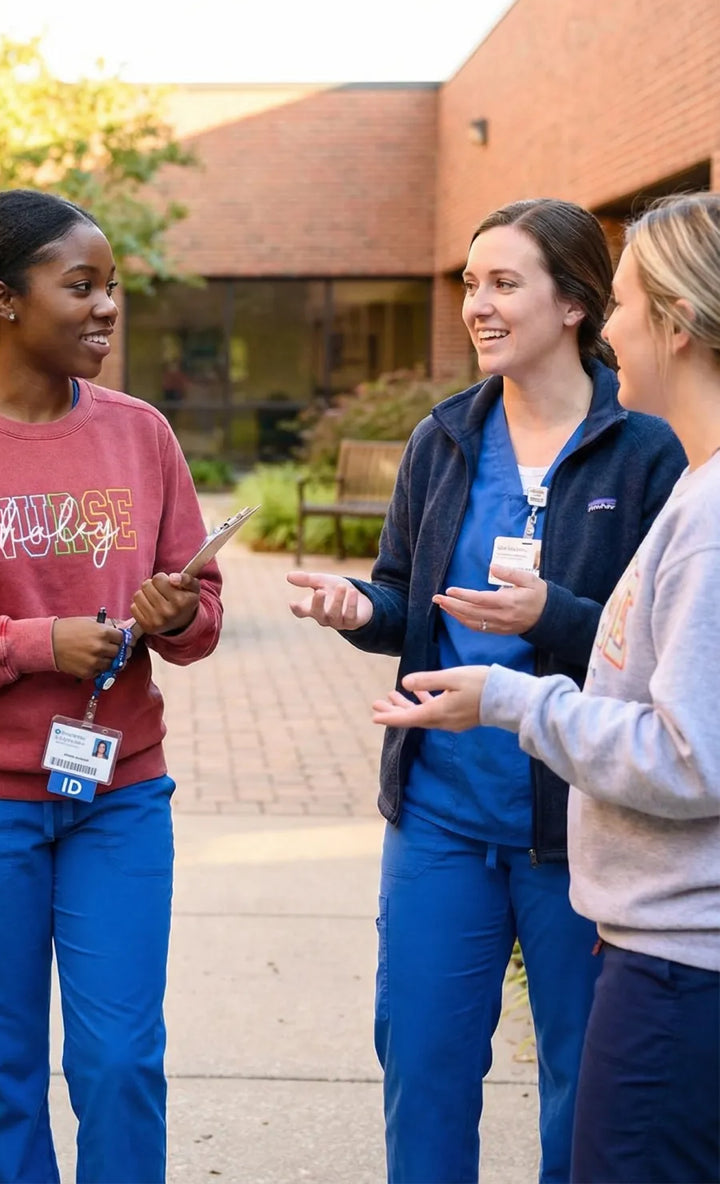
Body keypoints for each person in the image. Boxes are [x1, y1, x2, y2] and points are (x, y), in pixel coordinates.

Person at [286, 198, 686, 1183]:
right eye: (471, 284)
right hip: (440, 815)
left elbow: (657, 650)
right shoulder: (445, 438)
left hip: (579, 824)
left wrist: (553, 615)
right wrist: (360, 608)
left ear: (576, 304)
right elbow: (404, 598)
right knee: (421, 1066)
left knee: (582, 1089)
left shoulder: (648, 450)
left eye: (505, 283)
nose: (478, 305)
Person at [0, 187, 223, 1184]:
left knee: (120, 1060)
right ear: (5, 300)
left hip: (120, 797)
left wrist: (174, 615)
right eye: (82, 286)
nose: (108, 306)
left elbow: (203, 614)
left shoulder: (141, 433)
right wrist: (36, 645)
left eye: (112, 286)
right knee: (1, 1071)